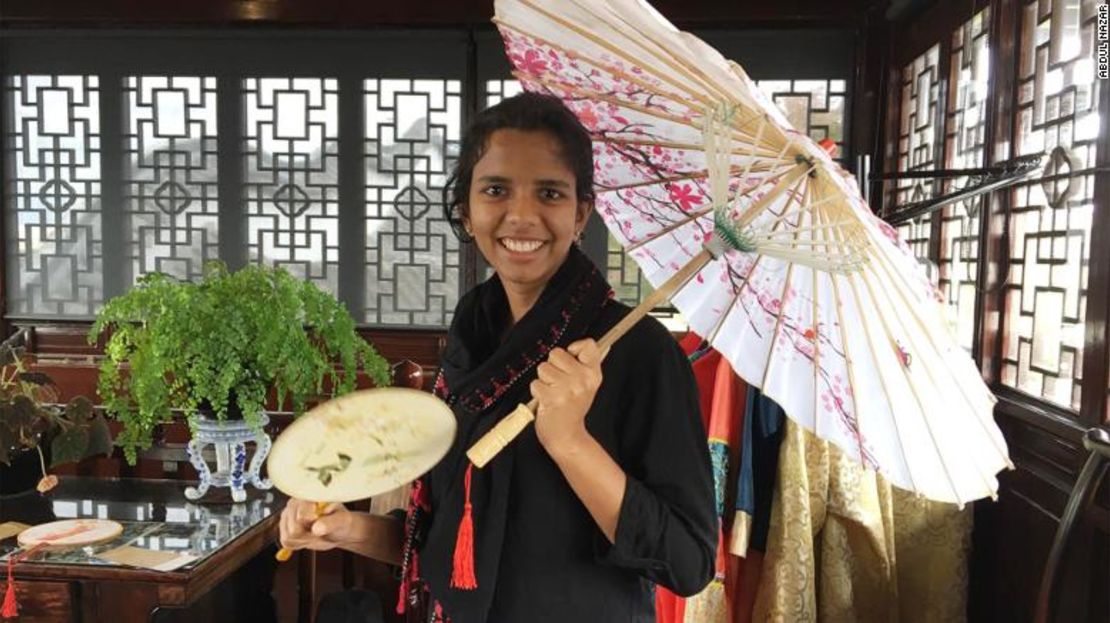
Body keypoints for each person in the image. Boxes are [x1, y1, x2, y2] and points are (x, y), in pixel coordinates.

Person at [280, 92, 716, 622]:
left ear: (581, 214)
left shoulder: (637, 351)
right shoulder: (472, 337)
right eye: (495, 190)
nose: (522, 216)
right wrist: (346, 530)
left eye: (550, 193)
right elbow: (453, 549)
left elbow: (688, 564)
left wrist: (571, 442)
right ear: (466, 209)